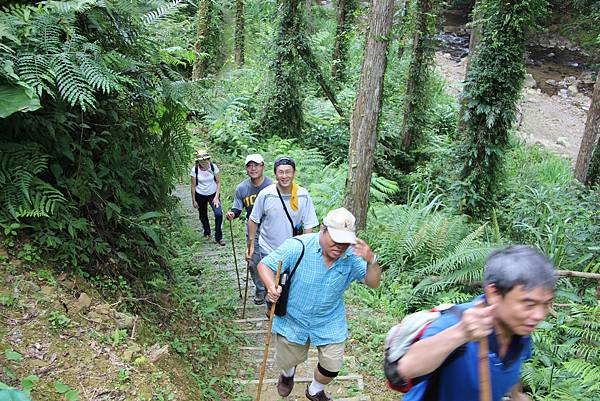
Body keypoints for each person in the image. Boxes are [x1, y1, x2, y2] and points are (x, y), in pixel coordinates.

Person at [396, 245, 556, 401]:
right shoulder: (453, 323)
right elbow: (407, 368)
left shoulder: (520, 333)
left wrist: (516, 395)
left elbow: (512, 367)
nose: (540, 315)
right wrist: (462, 332)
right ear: (494, 293)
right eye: (529, 304)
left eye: (546, 303)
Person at [258, 207, 382, 401]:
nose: (340, 246)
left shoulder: (351, 256)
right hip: (293, 318)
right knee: (289, 358)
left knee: (332, 365)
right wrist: (270, 287)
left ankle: (315, 390)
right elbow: (265, 265)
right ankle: (288, 375)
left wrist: (371, 260)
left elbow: (373, 283)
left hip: (329, 320)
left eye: (345, 241)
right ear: (323, 230)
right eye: (336, 239)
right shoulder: (297, 246)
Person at [247, 155, 319, 262]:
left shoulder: (303, 195)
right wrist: (251, 245)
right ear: (275, 174)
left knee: (288, 279)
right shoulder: (266, 194)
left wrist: (304, 249)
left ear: (294, 173)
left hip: (293, 250)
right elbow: (253, 219)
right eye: (280, 172)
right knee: (270, 278)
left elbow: (308, 225)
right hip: (268, 249)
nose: (284, 176)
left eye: (288, 172)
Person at [225, 153, 273, 304]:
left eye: (256, 165)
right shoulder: (242, 188)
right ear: (246, 168)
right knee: (253, 260)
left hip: (271, 227)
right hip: (253, 229)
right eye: (249, 165)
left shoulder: (271, 186)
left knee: (270, 260)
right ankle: (260, 289)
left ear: (263, 167)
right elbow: (238, 208)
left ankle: (271, 288)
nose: (253, 168)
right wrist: (232, 213)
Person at [190, 149, 225, 246]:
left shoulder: (213, 167)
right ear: (198, 161)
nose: (204, 162)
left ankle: (219, 237)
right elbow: (193, 186)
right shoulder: (195, 170)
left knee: (218, 214)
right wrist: (194, 200)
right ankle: (207, 232)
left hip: (213, 194)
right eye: (201, 160)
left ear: (208, 159)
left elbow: (218, 182)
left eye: (205, 159)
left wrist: (217, 197)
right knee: (203, 214)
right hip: (200, 194)